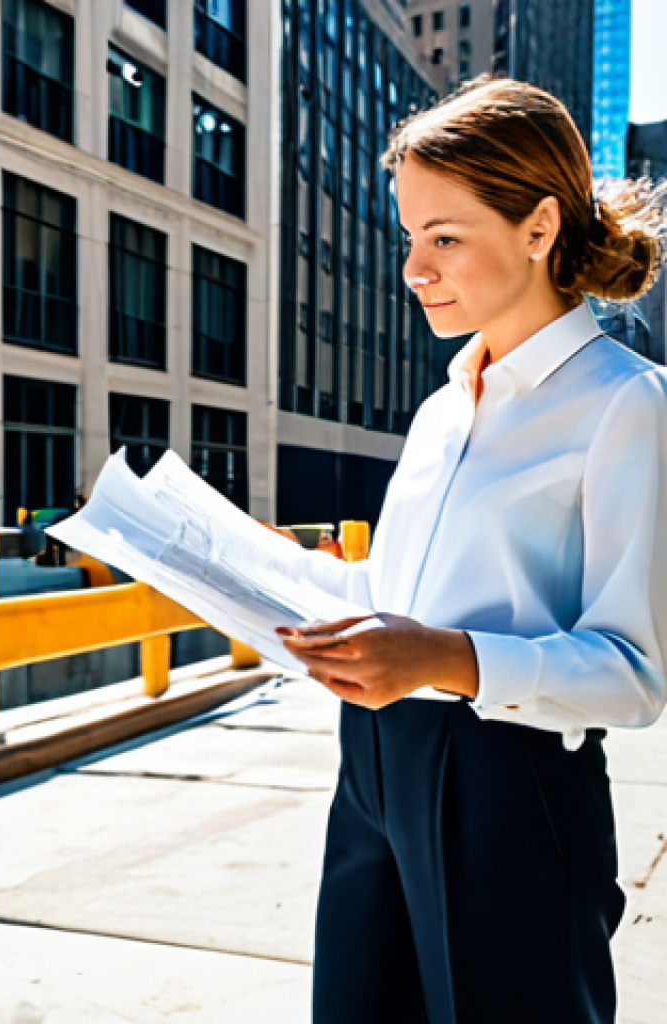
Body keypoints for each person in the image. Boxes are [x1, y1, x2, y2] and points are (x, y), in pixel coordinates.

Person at [275, 77, 667, 1024]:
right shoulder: (440, 409)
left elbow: (637, 675)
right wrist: (262, 574)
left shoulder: (628, 403)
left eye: (444, 237)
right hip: (371, 764)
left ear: (538, 228)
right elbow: (404, 591)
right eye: (410, 236)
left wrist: (441, 659)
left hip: (509, 789)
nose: (415, 268)